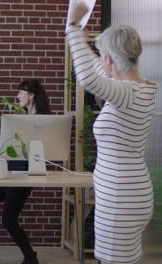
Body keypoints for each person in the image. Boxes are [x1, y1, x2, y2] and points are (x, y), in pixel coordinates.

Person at [66, 3, 157, 264]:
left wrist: (73, 29)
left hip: (121, 199)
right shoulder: (135, 88)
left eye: (101, 54)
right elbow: (96, 71)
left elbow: (89, 79)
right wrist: (81, 37)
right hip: (123, 194)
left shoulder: (128, 93)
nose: (99, 59)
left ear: (109, 58)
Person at [0, 79, 50, 264]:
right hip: (9, 170)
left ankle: (31, 258)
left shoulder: (44, 118)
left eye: (20, 93)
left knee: (8, 219)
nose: (17, 96)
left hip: (26, 174)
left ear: (31, 95)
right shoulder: (20, 115)